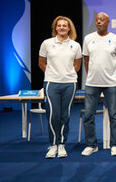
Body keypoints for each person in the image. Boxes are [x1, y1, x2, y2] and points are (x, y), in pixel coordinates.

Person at [81, 12, 116, 156]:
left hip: (110, 83)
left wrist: (114, 76)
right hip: (92, 83)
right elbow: (86, 59)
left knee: (115, 116)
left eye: (102, 20)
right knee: (88, 115)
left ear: (108, 22)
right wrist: (91, 74)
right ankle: (91, 145)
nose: (99, 22)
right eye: (97, 20)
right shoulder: (88, 38)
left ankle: (115, 144)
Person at [39, 16, 82, 159]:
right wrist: (53, 74)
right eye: (59, 25)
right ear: (55, 28)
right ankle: (53, 145)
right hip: (51, 83)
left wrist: (66, 75)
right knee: (52, 115)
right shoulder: (47, 43)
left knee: (65, 115)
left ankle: (62, 144)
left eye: (65, 25)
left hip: (70, 84)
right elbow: (42, 63)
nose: (62, 28)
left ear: (69, 28)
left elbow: (77, 66)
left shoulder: (75, 45)